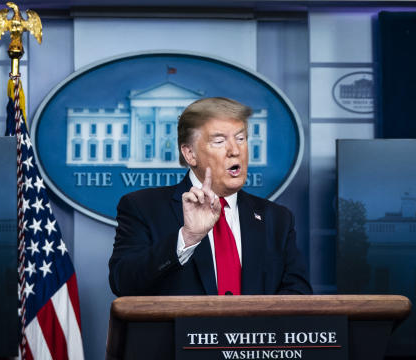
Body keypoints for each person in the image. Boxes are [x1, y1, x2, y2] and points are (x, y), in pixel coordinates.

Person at [108, 97, 311, 296]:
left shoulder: (277, 219)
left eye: (241, 139)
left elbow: (298, 294)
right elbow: (123, 283)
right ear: (190, 154)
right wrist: (187, 238)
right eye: (220, 141)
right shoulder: (142, 207)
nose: (235, 150)